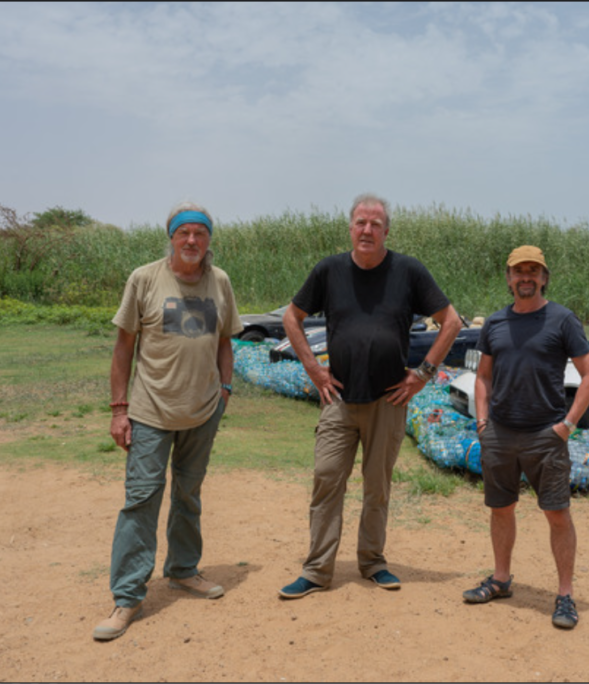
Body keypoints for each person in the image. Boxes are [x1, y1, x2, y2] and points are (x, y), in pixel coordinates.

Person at [278, 193, 462, 599]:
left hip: (388, 400)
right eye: (360, 222)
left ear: (386, 231)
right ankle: (317, 570)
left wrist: (423, 374)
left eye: (375, 224)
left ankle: (373, 562)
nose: (367, 230)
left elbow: (451, 321)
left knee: (377, 486)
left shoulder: (408, 271)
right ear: (350, 227)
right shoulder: (329, 271)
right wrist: (312, 367)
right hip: (338, 398)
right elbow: (292, 317)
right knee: (327, 478)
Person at [93, 202, 243, 641]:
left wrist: (226, 391)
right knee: (141, 499)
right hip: (150, 411)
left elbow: (224, 343)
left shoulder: (220, 282)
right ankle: (127, 597)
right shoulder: (145, 279)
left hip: (202, 411)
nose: (192, 241)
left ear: (209, 239)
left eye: (200, 233)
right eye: (184, 234)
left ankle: (182, 570)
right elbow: (123, 347)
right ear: (172, 238)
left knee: (189, 493)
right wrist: (119, 410)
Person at [461, 245, 589, 630]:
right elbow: (483, 376)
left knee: (557, 514)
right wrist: (483, 423)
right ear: (508, 278)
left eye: (533, 271)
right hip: (500, 434)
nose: (525, 277)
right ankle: (501, 580)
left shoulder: (562, 320)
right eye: (518, 271)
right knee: (501, 509)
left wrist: (567, 425)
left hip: (546, 435)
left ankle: (566, 595)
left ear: (544, 277)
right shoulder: (494, 323)